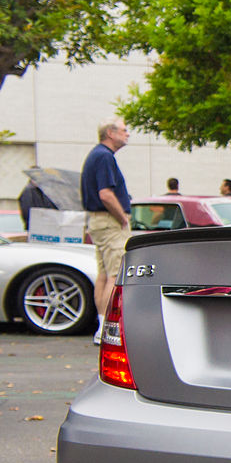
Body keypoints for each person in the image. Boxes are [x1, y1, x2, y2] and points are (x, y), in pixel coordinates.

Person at [81, 118, 133, 343]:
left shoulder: (95, 155)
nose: (127, 134)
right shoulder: (104, 156)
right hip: (110, 221)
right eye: (124, 130)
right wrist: (122, 217)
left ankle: (101, 326)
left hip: (97, 221)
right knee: (115, 274)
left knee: (103, 275)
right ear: (110, 133)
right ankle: (107, 330)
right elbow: (106, 194)